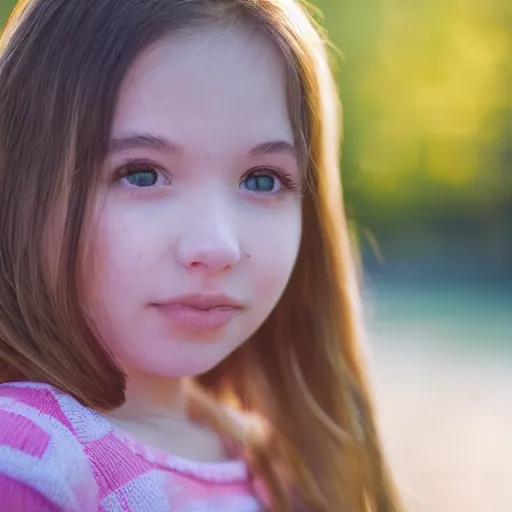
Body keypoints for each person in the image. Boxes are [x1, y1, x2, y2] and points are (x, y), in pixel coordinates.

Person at [0, 0, 403, 510]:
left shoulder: (282, 468)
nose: (217, 247)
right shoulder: (27, 458)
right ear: (19, 186)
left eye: (262, 180)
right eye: (141, 173)